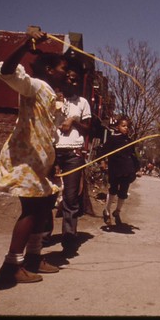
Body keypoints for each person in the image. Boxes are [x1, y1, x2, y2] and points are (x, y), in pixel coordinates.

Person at [0, 30, 68, 285]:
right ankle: (11, 265)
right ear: (48, 70)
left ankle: (34, 258)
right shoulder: (33, 86)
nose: (67, 73)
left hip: (42, 161)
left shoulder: (51, 94)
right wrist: (26, 43)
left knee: (44, 206)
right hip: (26, 158)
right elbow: (7, 71)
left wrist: (52, 161)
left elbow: (49, 132)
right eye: (62, 67)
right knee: (31, 210)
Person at [52, 56, 92, 256]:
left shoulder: (83, 102)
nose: (72, 82)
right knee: (47, 195)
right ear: (63, 78)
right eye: (69, 78)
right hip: (52, 150)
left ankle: (69, 238)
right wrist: (54, 104)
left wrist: (73, 120)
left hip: (73, 153)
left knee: (70, 197)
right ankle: (41, 237)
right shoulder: (52, 96)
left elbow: (87, 129)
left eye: (76, 80)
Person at [99, 117, 140, 226]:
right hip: (115, 169)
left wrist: (137, 169)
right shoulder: (113, 139)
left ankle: (117, 211)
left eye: (127, 126)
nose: (126, 128)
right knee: (113, 189)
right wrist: (103, 162)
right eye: (123, 126)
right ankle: (106, 211)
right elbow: (103, 151)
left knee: (123, 192)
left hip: (127, 170)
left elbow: (133, 156)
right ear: (117, 127)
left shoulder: (129, 141)